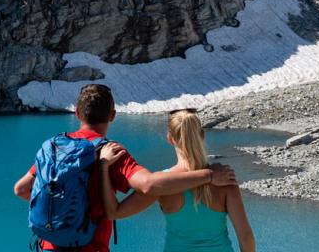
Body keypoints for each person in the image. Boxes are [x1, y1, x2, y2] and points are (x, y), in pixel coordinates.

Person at [14, 85, 238, 252]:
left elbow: (22, 190)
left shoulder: (54, 146)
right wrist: (209, 175)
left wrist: (59, 211)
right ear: (112, 116)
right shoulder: (111, 152)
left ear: (78, 114)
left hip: (49, 246)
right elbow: (150, 185)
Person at [109, 109, 256, 252]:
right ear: (202, 135)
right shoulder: (224, 179)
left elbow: (116, 212)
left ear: (170, 139)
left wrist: (104, 169)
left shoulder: (162, 184)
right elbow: (245, 236)